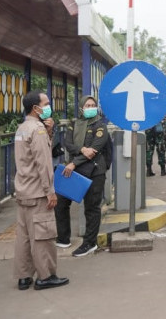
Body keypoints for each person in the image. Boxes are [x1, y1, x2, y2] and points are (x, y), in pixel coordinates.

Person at [14, 90, 69, 291]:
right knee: (43, 236)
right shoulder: (36, 130)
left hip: (23, 190)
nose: (49, 106)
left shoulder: (22, 128)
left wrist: (49, 131)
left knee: (24, 236)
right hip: (38, 192)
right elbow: (43, 163)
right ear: (36, 108)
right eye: (46, 103)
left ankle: (24, 276)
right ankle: (46, 276)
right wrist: (50, 191)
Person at [54, 95, 109, 258]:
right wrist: (82, 150)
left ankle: (90, 243)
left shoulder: (101, 126)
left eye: (93, 105)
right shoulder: (73, 124)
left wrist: (74, 162)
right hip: (74, 171)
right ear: (81, 108)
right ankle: (63, 238)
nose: (91, 107)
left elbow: (95, 149)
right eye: (87, 105)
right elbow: (68, 143)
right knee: (61, 203)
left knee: (91, 207)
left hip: (94, 171)